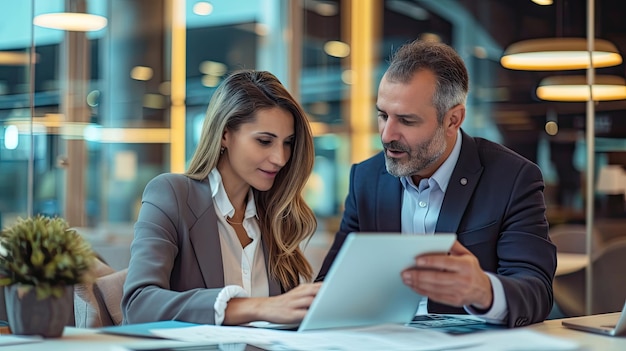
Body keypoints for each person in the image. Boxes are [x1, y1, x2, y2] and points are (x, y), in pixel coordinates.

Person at [316, 39, 556, 328]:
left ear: (453, 120)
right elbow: (329, 285)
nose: (387, 134)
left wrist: (484, 290)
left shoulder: (512, 178)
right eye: (382, 115)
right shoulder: (365, 179)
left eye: (406, 120)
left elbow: (536, 292)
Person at [122, 70, 321, 326]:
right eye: (264, 141)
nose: (280, 158)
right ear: (225, 134)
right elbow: (138, 304)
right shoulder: (172, 194)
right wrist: (255, 307)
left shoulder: (276, 216)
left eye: (287, 143)